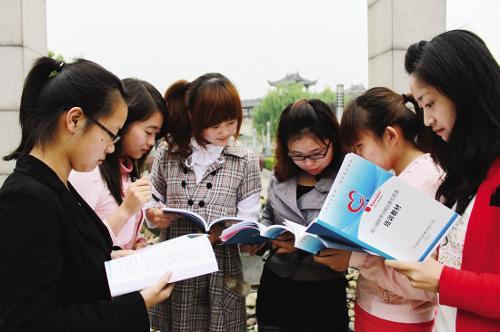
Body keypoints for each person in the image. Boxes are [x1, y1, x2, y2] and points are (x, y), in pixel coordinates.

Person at [0, 57, 174, 332]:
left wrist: (112, 259)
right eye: (111, 134)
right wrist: (138, 304)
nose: (110, 148)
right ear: (75, 120)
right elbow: (32, 323)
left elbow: (70, 270)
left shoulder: (58, 186)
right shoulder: (27, 200)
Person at [384, 30, 500, 332]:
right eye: (420, 107)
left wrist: (445, 280)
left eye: (430, 103)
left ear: (464, 91)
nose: (426, 120)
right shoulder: (465, 169)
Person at [313, 87, 442, 332]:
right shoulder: (394, 177)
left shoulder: (429, 181)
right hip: (371, 309)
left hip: (403, 320)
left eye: (359, 147)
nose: (357, 158)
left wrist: (356, 259)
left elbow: (429, 284)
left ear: (391, 136)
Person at [146, 73, 261, 331]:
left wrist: (227, 233)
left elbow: (250, 219)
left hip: (221, 270)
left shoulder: (245, 160)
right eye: (214, 125)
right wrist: (154, 215)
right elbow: (153, 199)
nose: (224, 131)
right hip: (177, 267)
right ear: (192, 116)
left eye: (231, 123)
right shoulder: (169, 151)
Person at [255, 99, 349, 332]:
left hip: (323, 291)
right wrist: (269, 236)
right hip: (277, 285)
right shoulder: (281, 175)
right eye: (297, 155)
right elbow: (268, 215)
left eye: (317, 153)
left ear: (333, 141)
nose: (308, 163)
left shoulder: (347, 181)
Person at [69, 78, 168, 250]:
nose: (152, 142)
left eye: (156, 135)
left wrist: (138, 244)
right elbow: (77, 245)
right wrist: (126, 210)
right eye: (148, 132)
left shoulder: (127, 171)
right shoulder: (88, 171)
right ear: (123, 122)